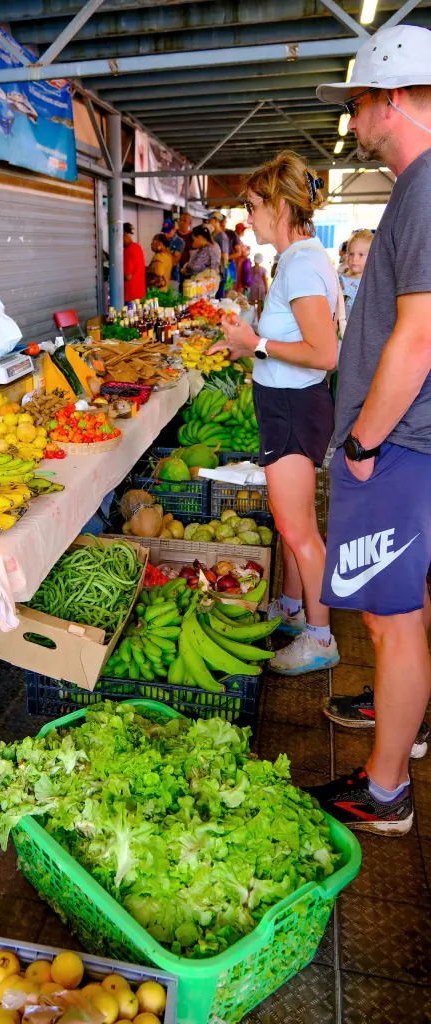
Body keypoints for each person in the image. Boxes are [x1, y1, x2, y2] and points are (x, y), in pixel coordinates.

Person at [307, 24, 431, 835]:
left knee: (389, 623)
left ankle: (383, 793)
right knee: (405, 608)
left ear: (391, 97)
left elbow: (418, 335)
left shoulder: (425, 185)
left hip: (398, 444)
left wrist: (362, 442)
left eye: (356, 104)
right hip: (408, 443)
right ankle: (403, 726)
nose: (351, 121)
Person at [216, 150, 340, 676]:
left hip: (293, 407)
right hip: (286, 403)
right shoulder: (297, 260)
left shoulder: (304, 262)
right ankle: (291, 611)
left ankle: (321, 637)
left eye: (252, 205)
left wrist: (256, 341)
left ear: (280, 206)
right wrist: (252, 347)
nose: (248, 217)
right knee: (292, 526)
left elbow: (325, 352)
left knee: (298, 530)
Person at [339, 229, 373, 321]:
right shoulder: (345, 283)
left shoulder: (376, 282)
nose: (354, 259)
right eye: (351, 254)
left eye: (361, 254)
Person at [122, 223, 146, 303]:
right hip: (140, 294)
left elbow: (128, 276)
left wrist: (115, 277)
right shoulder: (137, 247)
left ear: (124, 234)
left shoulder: (128, 250)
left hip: (131, 296)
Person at [161, 218, 185, 291]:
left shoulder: (179, 242)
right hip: (161, 277)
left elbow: (174, 262)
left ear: (174, 229)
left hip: (173, 278)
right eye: (164, 231)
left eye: (168, 231)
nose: (165, 234)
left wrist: (166, 251)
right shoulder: (162, 239)